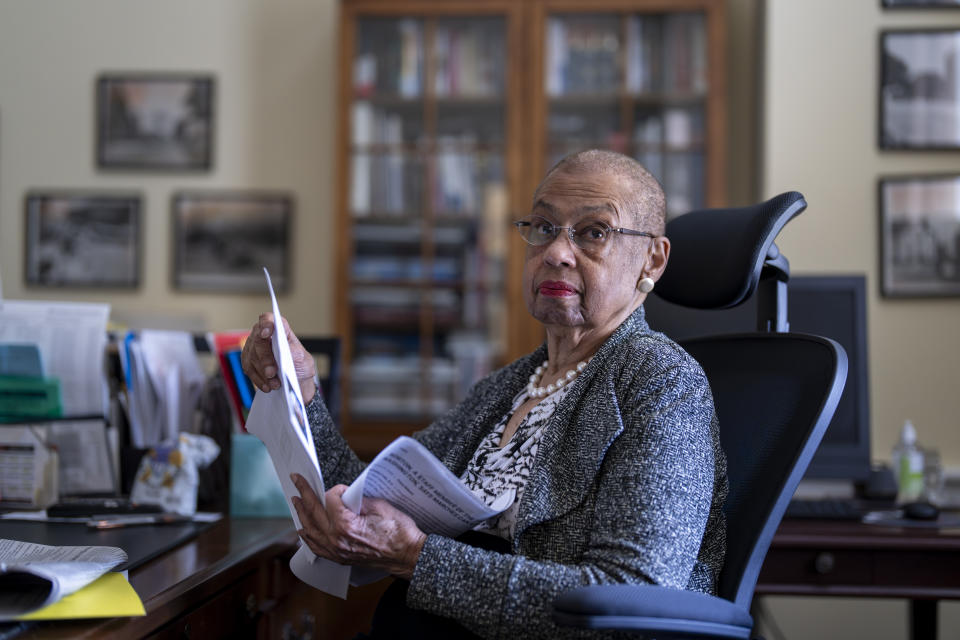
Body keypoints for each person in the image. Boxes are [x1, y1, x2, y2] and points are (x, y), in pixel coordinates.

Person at [242, 149, 728, 639]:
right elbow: (362, 501)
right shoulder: (509, 385)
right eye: (543, 227)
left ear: (653, 258)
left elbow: (632, 598)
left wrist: (415, 557)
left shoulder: (660, 381)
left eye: (594, 232)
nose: (556, 252)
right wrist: (301, 392)